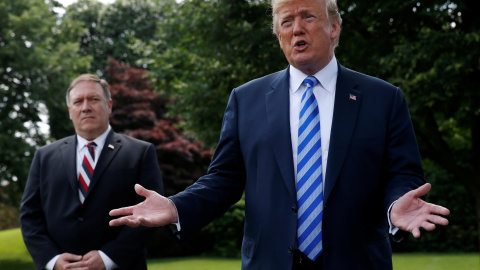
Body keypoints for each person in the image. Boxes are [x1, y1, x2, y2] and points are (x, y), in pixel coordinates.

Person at [109, 0, 450, 269]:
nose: (297, 28)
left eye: (308, 17)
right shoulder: (246, 99)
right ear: (278, 34)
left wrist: (394, 206)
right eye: (286, 21)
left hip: (357, 261)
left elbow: (403, 172)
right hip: (270, 262)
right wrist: (176, 206)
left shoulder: (384, 98)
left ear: (334, 27)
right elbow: (224, 179)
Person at [20, 74, 164, 270]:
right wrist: (52, 261)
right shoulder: (44, 156)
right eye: (78, 102)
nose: (86, 107)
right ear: (70, 111)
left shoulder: (140, 152)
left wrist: (108, 258)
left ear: (109, 106)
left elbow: (149, 212)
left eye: (94, 99)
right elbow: (30, 216)